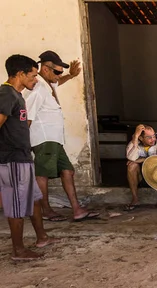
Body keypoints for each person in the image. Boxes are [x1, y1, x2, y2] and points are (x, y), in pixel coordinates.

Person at [24, 50, 99, 222]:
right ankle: (46, 211)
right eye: (57, 72)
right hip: (44, 139)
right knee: (42, 174)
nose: (59, 76)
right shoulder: (37, 90)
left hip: (54, 139)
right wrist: (22, 142)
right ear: (45, 69)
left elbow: (59, 83)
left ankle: (77, 209)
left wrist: (71, 76)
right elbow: (27, 118)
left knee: (68, 171)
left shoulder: (48, 84)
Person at [0, 55, 59, 261]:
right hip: (12, 158)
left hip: (23, 156)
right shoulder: (6, 94)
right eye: (33, 75)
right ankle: (18, 250)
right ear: (20, 74)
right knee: (16, 203)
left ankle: (41, 237)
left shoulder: (17, 95)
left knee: (34, 198)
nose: (36, 79)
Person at [125, 124, 157, 209]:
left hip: (155, 176)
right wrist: (135, 137)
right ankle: (135, 199)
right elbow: (130, 157)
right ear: (141, 138)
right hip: (141, 176)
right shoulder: (135, 142)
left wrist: (143, 159)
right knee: (131, 166)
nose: (153, 139)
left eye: (154, 136)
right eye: (149, 137)